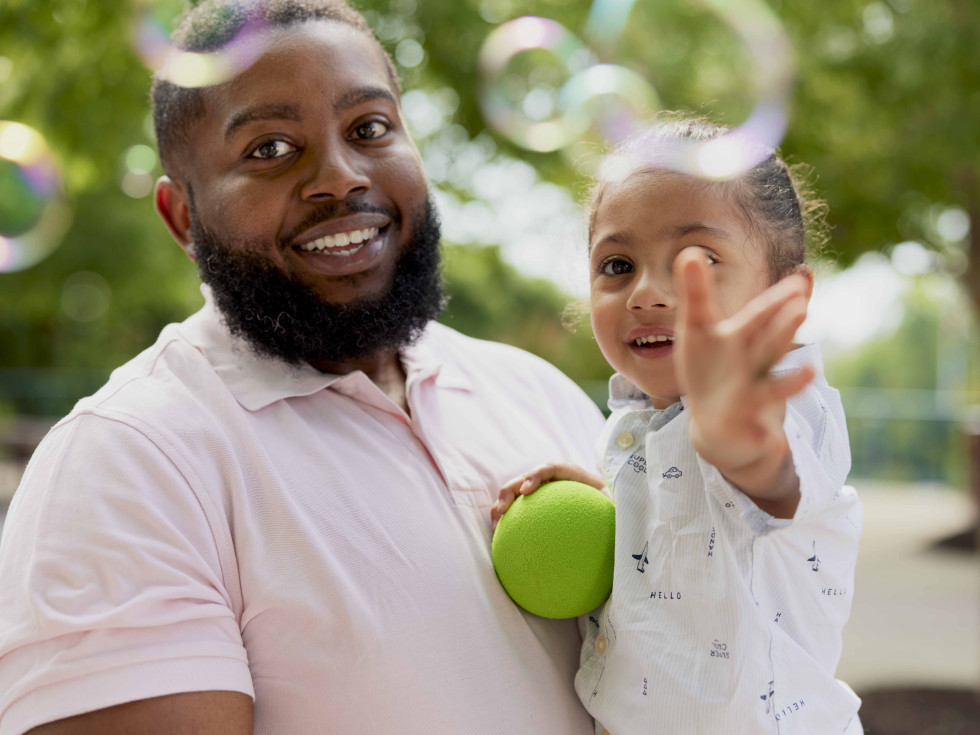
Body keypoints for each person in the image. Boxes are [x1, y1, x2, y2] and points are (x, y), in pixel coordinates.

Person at [0, 1, 606, 733]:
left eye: (370, 128)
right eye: (269, 149)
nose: (340, 177)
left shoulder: (536, 390)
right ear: (182, 218)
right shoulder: (129, 457)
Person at [493, 116, 864, 734]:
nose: (647, 292)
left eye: (695, 260)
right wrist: (606, 499)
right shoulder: (631, 425)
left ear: (783, 298)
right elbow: (685, 539)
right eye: (616, 266)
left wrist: (735, 440)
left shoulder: (780, 402)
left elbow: (770, 482)